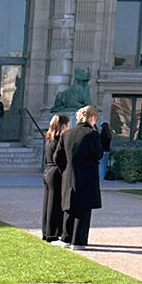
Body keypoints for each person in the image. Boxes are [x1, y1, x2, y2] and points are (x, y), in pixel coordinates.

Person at [55, 104, 103, 249]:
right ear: (92, 118)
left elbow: (58, 156)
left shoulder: (66, 134)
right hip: (86, 175)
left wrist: (65, 169)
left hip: (69, 174)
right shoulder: (92, 134)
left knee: (69, 208)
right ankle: (78, 241)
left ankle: (66, 238)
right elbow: (98, 154)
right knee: (83, 210)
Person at [42, 113, 69, 244]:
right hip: (55, 172)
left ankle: (47, 231)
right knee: (54, 204)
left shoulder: (49, 138)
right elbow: (59, 158)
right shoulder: (59, 139)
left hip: (48, 170)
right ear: (63, 125)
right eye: (67, 125)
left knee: (48, 203)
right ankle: (52, 233)